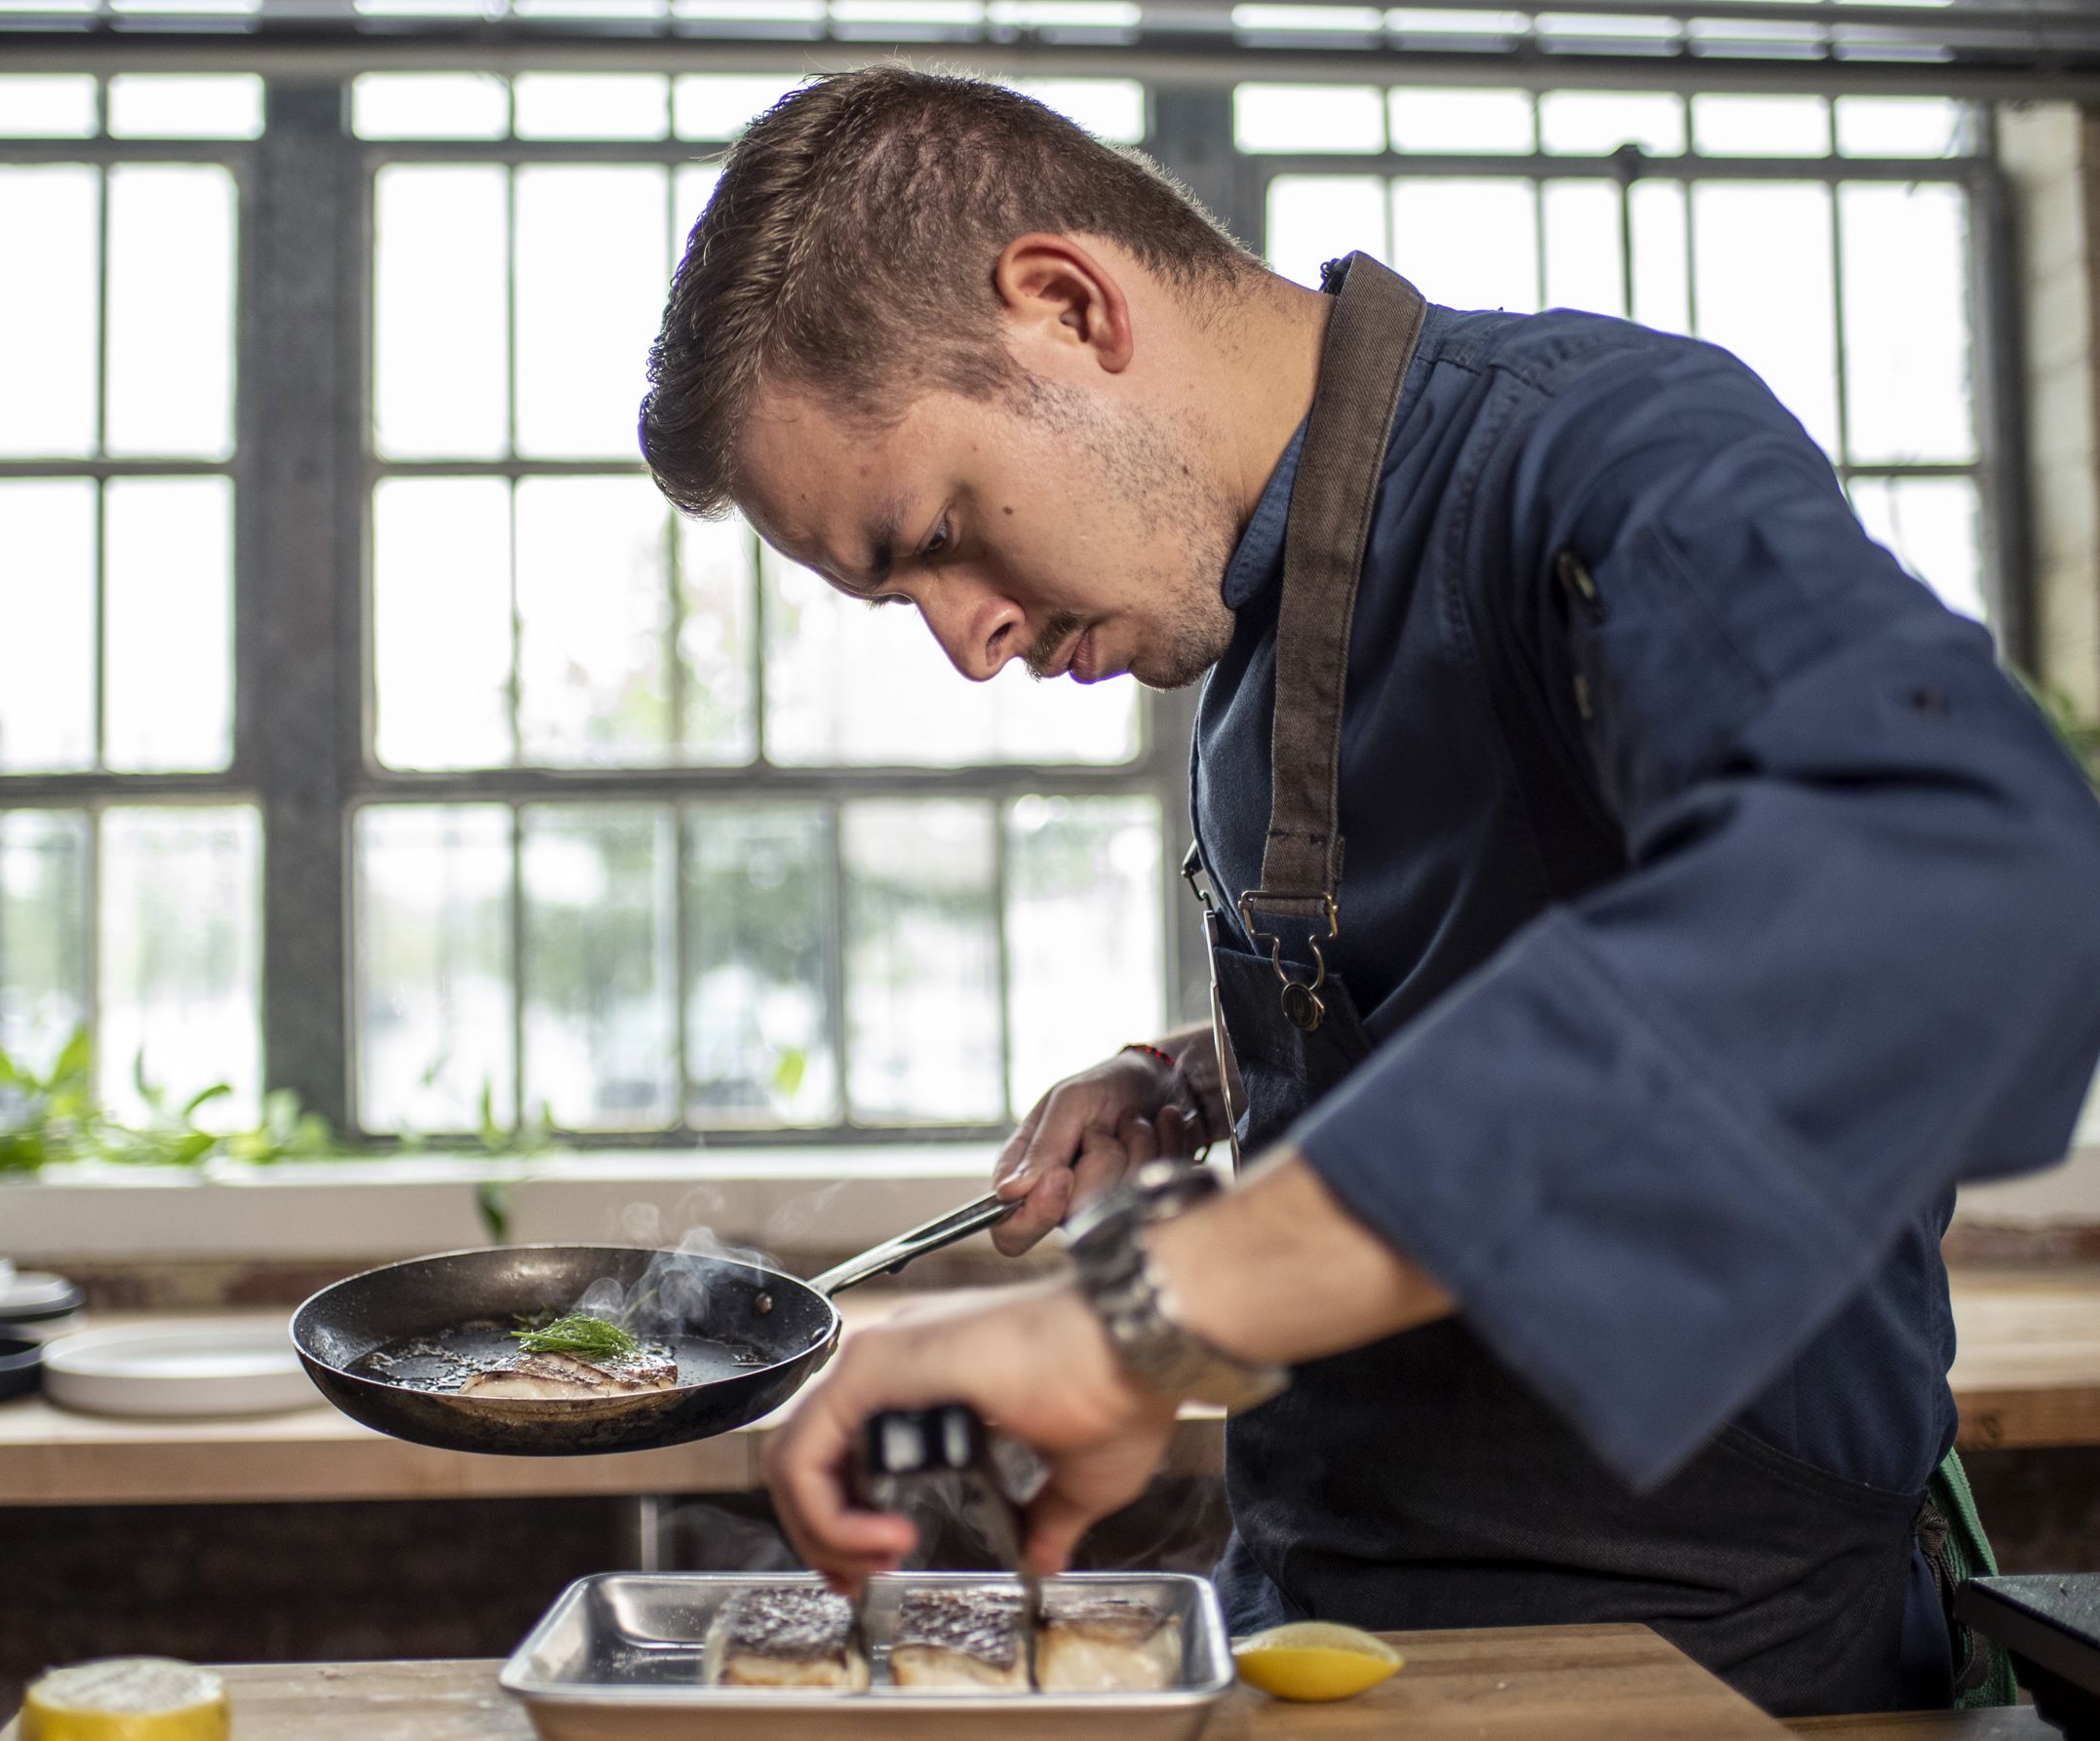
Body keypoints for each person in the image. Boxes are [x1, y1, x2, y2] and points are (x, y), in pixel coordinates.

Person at [637, 65, 2100, 1716]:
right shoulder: (1244, 627)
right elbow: (1508, 944)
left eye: (938, 534)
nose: (968, 639)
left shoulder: (1590, 451)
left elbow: (1945, 869)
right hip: (1324, 1608)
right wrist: (1205, 1071)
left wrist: (1145, 1314)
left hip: (1699, 1652)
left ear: (1065, 305)